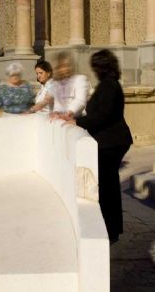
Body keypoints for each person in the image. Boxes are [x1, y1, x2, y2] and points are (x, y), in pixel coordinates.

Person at [63, 49, 133, 243]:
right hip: (110, 141)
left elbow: (102, 116)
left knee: (108, 186)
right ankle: (111, 228)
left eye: (95, 66)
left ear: (101, 67)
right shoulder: (109, 84)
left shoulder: (109, 86)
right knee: (109, 184)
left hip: (112, 142)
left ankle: (110, 229)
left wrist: (77, 122)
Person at [30, 51, 89, 118]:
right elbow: (58, 104)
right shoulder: (57, 83)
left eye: (66, 66)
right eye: (60, 66)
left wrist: (68, 113)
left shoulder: (80, 79)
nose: (63, 69)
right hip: (60, 118)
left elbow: (80, 101)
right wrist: (56, 112)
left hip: (76, 118)